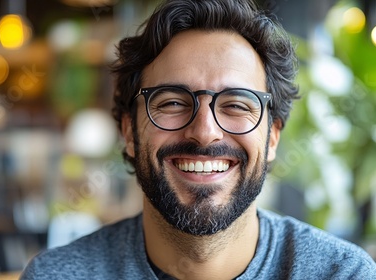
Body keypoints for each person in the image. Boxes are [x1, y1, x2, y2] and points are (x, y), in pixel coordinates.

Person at [21, 0, 376, 279]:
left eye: (237, 104)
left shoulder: (341, 273)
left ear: (272, 138)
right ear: (129, 131)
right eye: (173, 102)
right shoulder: (56, 275)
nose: (205, 132)